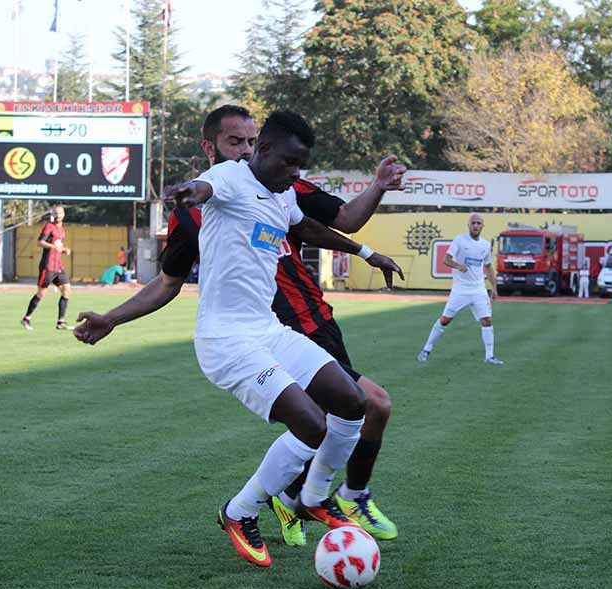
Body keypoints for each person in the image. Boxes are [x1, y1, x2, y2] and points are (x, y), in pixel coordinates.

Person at [74, 105, 406, 549]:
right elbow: (205, 189)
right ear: (259, 151)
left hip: (267, 330)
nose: (294, 173)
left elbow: (309, 226)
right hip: (226, 341)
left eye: (299, 165)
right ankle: (240, 511)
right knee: (310, 424)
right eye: (288, 162)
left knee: (353, 403)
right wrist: (190, 192)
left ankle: (312, 496)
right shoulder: (231, 178)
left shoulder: (283, 190)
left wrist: (368, 254)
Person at [418, 213, 502, 365]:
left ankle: (489, 356)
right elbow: (446, 260)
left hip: (478, 289)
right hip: (461, 289)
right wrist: (458, 266)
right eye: (473, 223)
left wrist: (494, 288)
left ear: (483, 226)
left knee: (487, 320)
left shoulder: (485, 244)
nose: (476, 226)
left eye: (478, 223)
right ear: (468, 225)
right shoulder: (460, 240)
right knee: (445, 320)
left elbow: (488, 267)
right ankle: (426, 349)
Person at [21, 205, 72, 331]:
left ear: (64, 214)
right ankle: (26, 318)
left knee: (67, 290)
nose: (58, 215)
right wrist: (53, 247)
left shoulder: (62, 230)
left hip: (58, 266)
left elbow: (58, 245)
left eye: (60, 213)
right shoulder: (49, 226)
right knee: (41, 294)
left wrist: (64, 250)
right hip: (48, 266)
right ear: (52, 214)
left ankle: (61, 321)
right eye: (56, 213)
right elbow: (40, 242)